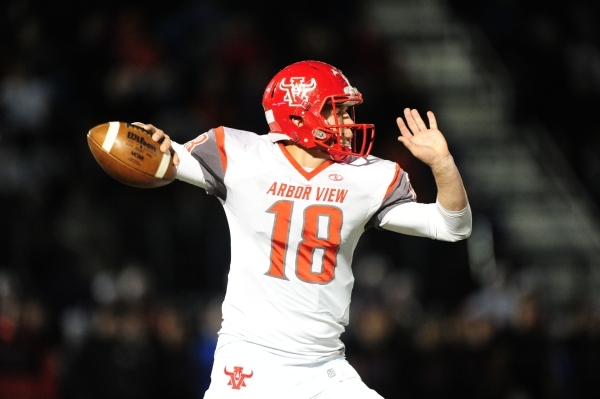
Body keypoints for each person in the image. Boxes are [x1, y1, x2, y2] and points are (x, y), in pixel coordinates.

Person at [135, 60, 471, 398]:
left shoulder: (366, 175)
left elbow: (452, 226)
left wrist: (442, 164)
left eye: (348, 111)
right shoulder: (238, 154)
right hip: (251, 360)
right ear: (296, 117)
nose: (349, 123)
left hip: (323, 367)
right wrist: (152, 143)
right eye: (336, 111)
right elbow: (162, 157)